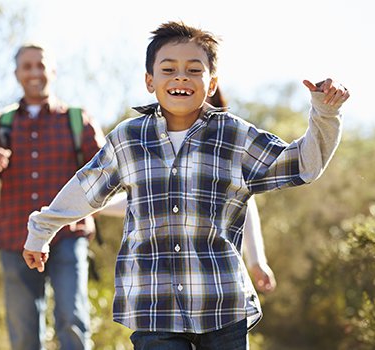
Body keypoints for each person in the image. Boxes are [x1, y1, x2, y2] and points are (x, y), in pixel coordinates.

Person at [23, 21, 348, 349]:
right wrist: (42, 229)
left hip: (222, 304)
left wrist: (325, 113)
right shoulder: (128, 139)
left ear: (211, 84)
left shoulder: (233, 136)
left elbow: (303, 165)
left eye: (194, 70)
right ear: (150, 81)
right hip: (153, 306)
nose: (181, 77)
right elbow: (86, 190)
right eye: (169, 69)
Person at [0, 44, 105, 350]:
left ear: (51, 71)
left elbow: (106, 174)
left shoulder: (77, 119)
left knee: (72, 318)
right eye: (26, 67)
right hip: (15, 235)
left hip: (68, 233)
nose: (34, 73)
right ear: (17, 74)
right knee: (24, 330)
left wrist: (91, 214)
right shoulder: (2, 123)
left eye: (40, 65)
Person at [207, 88, 276, 293]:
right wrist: (105, 204)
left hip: (217, 273)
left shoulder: (226, 144)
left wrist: (256, 260)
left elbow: (245, 203)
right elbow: (143, 199)